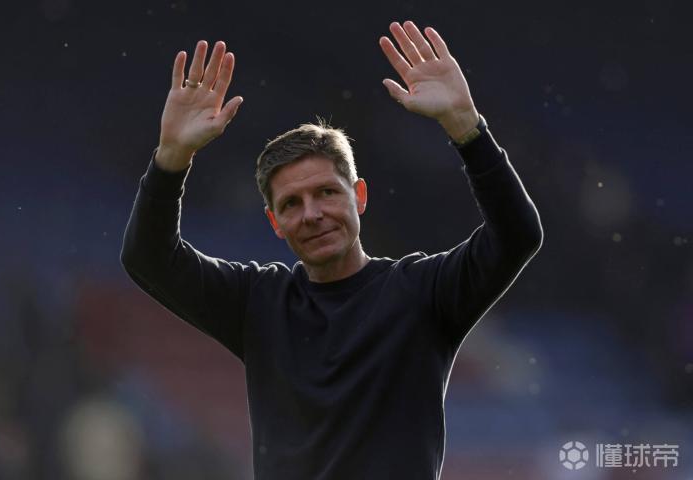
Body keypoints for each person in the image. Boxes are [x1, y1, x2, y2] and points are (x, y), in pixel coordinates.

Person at [121, 20, 543, 480]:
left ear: (359, 196)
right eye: (291, 204)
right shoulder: (258, 302)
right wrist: (171, 158)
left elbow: (517, 234)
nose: (312, 213)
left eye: (326, 193)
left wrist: (467, 128)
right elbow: (148, 258)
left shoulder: (424, 293)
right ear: (274, 223)